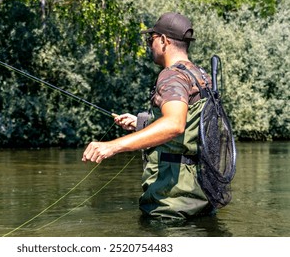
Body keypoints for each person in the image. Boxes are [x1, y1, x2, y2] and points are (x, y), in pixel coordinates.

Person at [82, 12, 215, 220]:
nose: (149, 44)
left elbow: (174, 124)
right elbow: (190, 125)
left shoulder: (172, 75)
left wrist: (111, 146)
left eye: (150, 39)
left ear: (163, 41)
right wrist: (140, 123)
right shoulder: (200, 75)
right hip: (201, 193)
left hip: (172, 202)